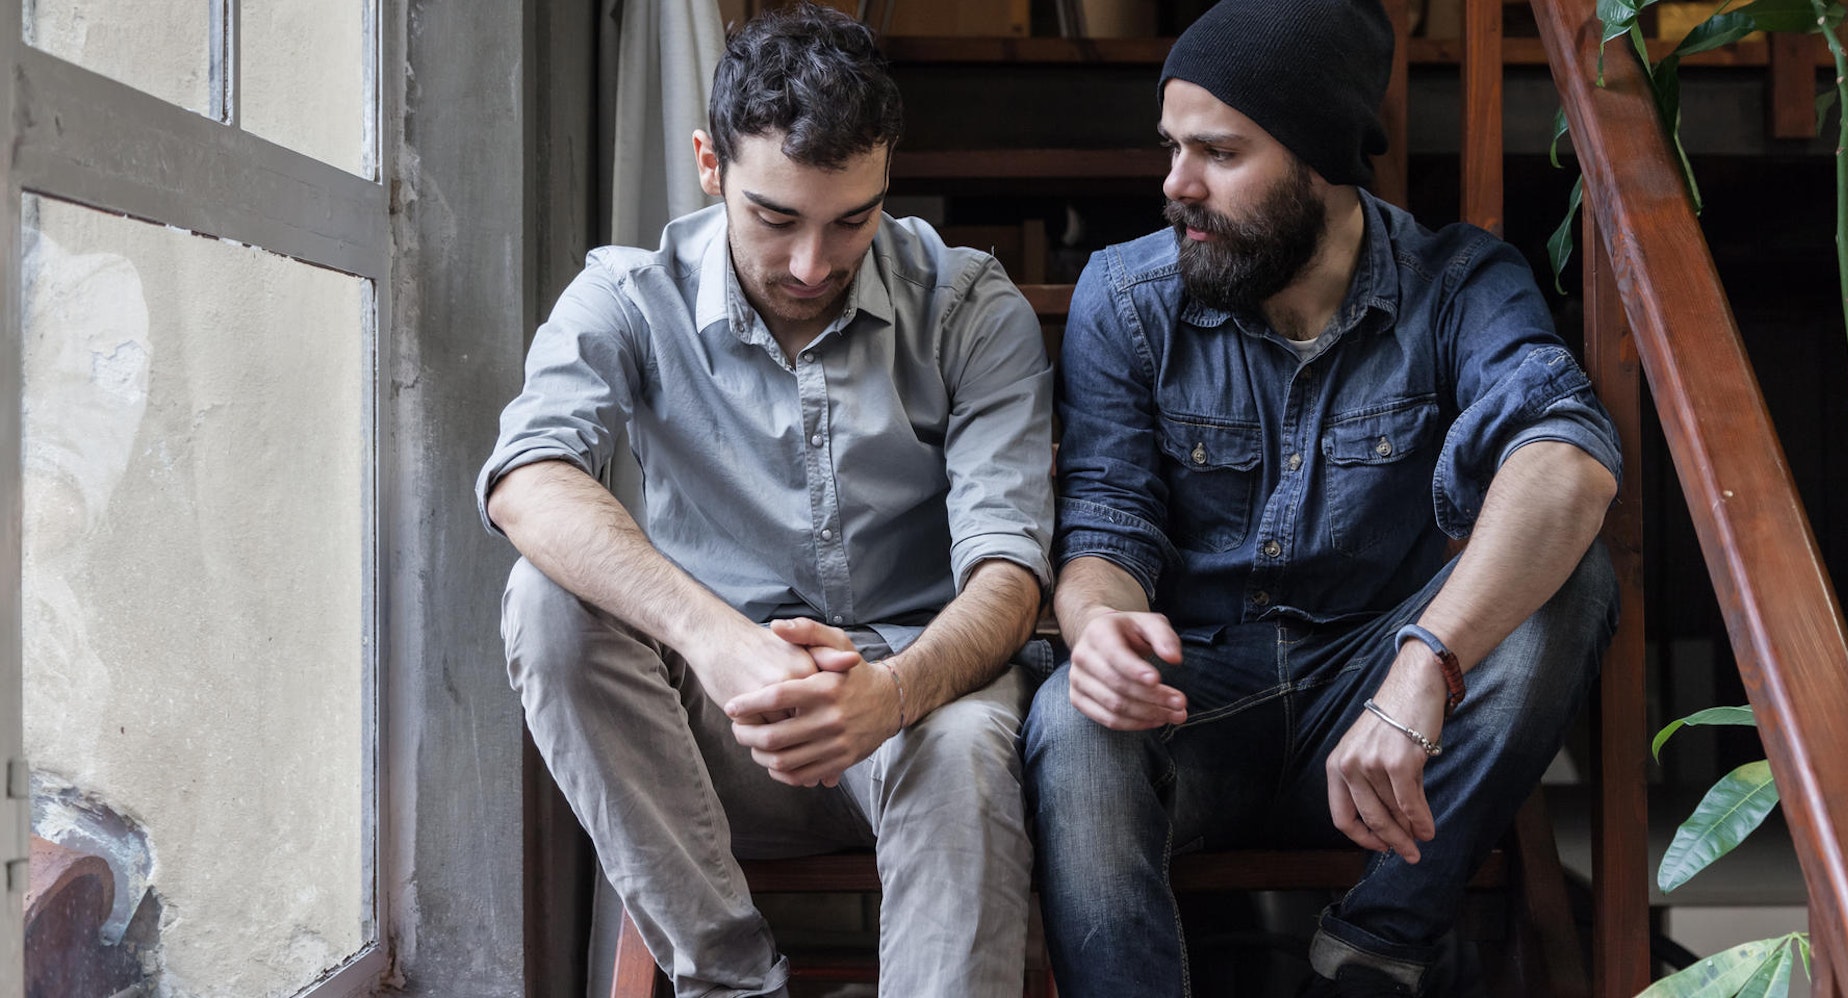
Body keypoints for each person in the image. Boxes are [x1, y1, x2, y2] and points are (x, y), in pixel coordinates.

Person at [1022, 0, 1622, 994]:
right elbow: (1104, 535)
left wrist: (1427, 660)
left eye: (1218, 152)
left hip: (1386, 705)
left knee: (1572, 575)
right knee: (1071, 719)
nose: (1177, 185)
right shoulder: (1126, 297)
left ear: (1322, 160)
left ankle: (1375, 950)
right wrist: (1099, 632)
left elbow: (1567, 463)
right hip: (1196, 697)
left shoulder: (1461, 283)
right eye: (1173, 148)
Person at [476, 5, 1054, 995]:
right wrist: (718, 640)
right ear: (711, 164)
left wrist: (895, 690)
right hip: (713, 732)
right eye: (775, 217)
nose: (810, 265)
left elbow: (1010, 571)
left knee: (963, 747)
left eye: (852, 221)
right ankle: (735, 984)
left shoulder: (970, 305)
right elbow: (527, 479)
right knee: (545, 600)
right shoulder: (628, 294)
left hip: (919, 710)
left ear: (885, 179)